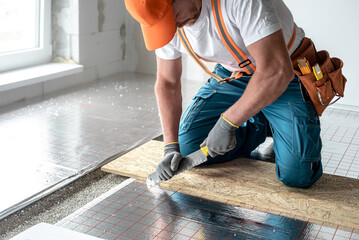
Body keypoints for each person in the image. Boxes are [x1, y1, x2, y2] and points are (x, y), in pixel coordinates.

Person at [125, 0, 323, 188]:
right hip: (233, 74)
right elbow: (167, 82)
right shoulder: (166, 24)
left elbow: (276, 70)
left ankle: (269, 119)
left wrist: (228, 123)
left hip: (284, 70)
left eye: (174, 16)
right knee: (188, 149)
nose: (175, 26)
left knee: (298, 175)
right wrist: (170, 146)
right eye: (164, 25)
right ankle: (260, 123)